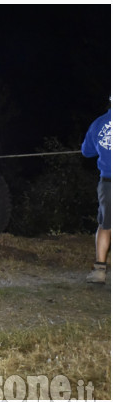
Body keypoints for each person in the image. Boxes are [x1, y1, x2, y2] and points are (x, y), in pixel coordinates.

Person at [82, 104, 111, 284]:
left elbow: (86, 151)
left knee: (105, 225)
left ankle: (100, 270)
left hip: (108, 182)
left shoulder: (99, 123)